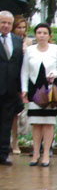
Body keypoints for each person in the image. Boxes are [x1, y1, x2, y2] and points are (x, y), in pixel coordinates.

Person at [20, 23, 57, 167]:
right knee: (36, 123)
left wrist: (55, 74)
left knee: (48, 123)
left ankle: (46, 153)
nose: (41, 35)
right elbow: (25, 71)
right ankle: (35, 153)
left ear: (49, 35)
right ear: (35, 35)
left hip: (50, 90)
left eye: (44, 33)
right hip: (35, 89)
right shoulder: (30, 50)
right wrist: (24, 89)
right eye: (39, 33)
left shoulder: (56, 49)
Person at [0, 10, 24, 166]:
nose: (5, 26)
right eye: (3, 22)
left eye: (8, 23)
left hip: (10, 90)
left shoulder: (17, 40)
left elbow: (20, 65)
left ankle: (2, 154)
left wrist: (21, 90)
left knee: (6, 123)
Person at [10, 16, 31, 156]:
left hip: (23, 79)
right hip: (10, 78)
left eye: (24, 27)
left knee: (17, 112)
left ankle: (15, 141)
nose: (21, 30)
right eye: (19, 27)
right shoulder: (8, 40)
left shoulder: (28, 42)